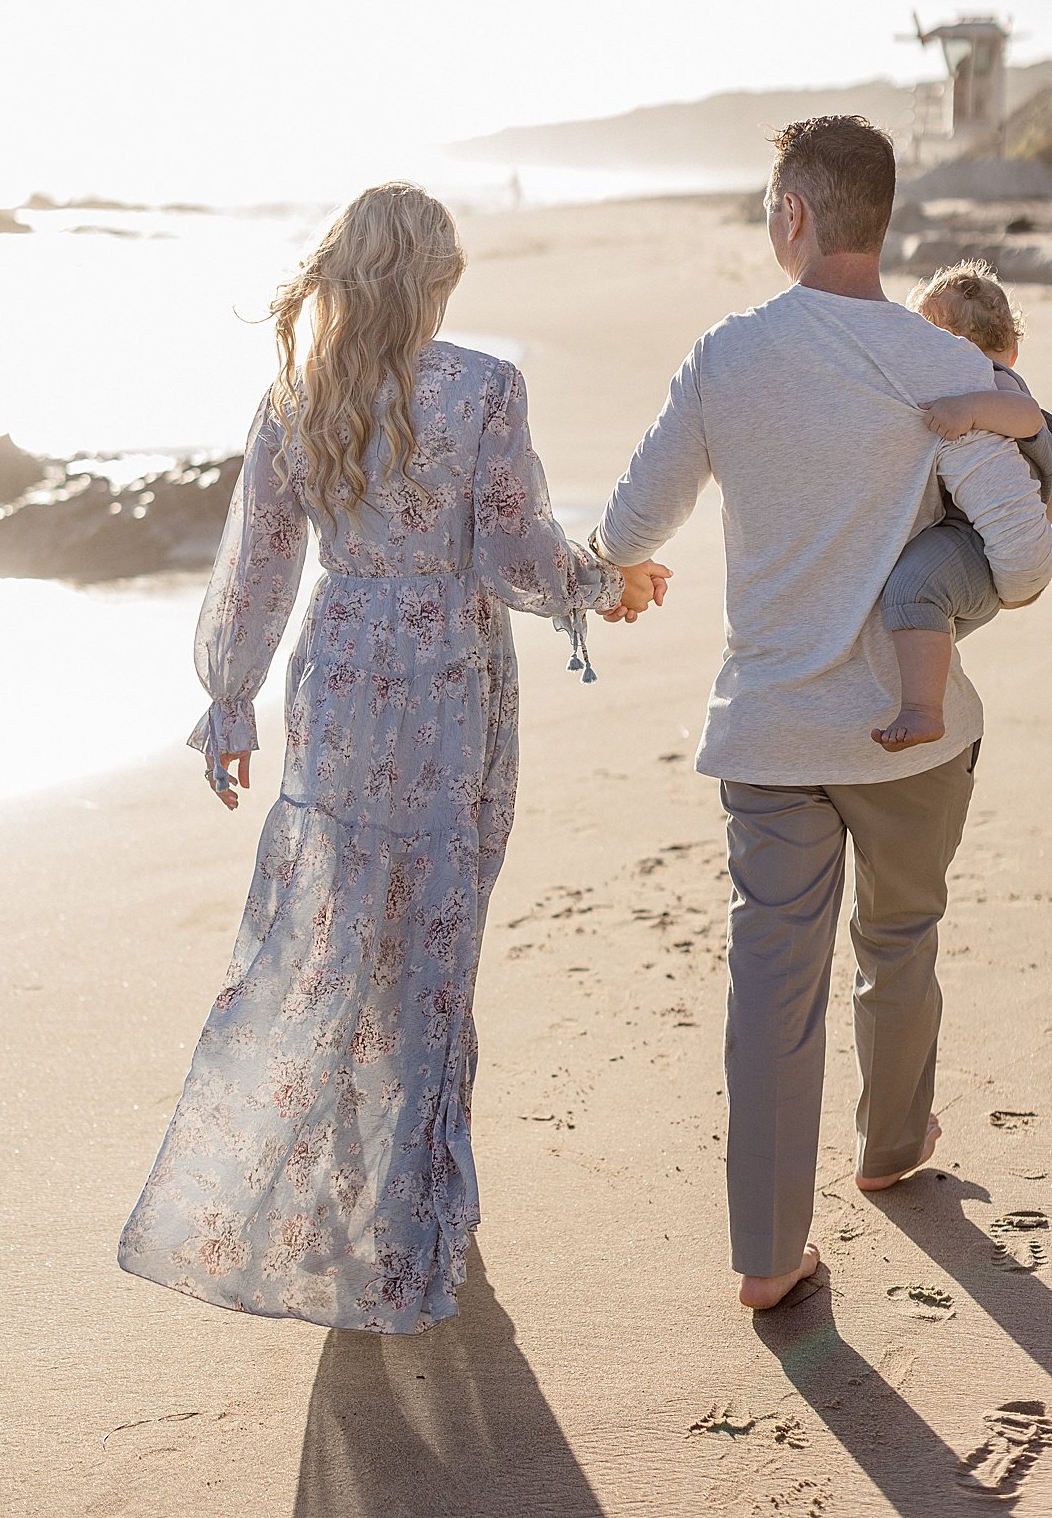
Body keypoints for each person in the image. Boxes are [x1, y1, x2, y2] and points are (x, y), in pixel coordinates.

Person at [118, 182, 658, 1334]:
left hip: (337, 679)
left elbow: (259, 565)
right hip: (446, 688)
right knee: (431, 949)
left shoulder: (296, 395)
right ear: (430, 281)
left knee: (329, 945)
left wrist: (229, 702)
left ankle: (335, 1212)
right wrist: (605, 587)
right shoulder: (480, 388)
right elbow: (517, 552)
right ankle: (415, 1236)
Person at [592, 117, 1052, 1311]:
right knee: (900, 943)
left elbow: (632, 526)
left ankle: (764, 1255)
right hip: (917, 737)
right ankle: (892, 1151)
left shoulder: (726, 354)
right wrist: (936, 596)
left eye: (768, 204)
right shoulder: (940, 364)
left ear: (795, 213)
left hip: (773, 729)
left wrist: (614, 574)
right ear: (880, 217)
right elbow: (1024, 554)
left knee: (770, 984)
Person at [873, 260, 1052, 750]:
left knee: (913, 594)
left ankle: (922, 710)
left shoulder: (992, 384)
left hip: (979, 537)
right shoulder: (992, 373)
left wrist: (970, 408)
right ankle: (924, 680)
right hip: (983, 538)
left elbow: (1028, 417)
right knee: (925, 620)